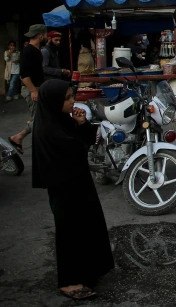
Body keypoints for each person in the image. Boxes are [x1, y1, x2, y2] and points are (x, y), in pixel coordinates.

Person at [32, 80, 114, 300]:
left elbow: (85, 141)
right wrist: (80, 131)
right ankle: (68, 282)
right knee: (69, 232)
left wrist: (81, 123)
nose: (72, 102)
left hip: (78, 182)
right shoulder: (47, 130)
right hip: (64, 187)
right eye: (67, 98)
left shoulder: (61, 121)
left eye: (71, 96)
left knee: (86, 226)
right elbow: (77, 149)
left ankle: (87, 271)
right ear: (54, 101)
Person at [8, 25, 48, 154]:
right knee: (39, 120)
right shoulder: (28, 51)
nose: (47, 37)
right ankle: (17, 137)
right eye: (45, 34)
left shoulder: (37, 51)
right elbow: (24, 76)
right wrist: (33, 91)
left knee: (42, 117)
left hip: (38, 87)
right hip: (32, 88)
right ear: (40, 35)